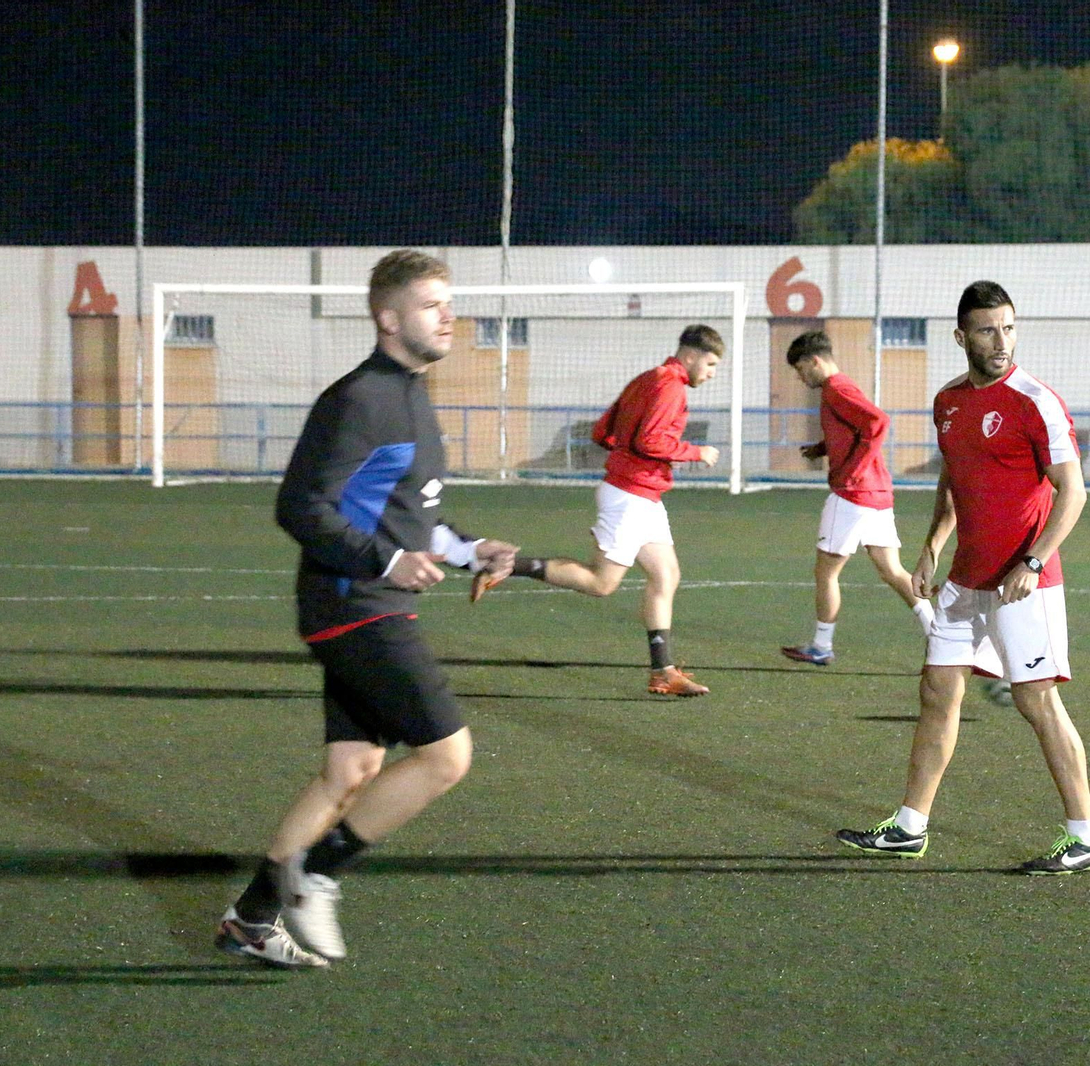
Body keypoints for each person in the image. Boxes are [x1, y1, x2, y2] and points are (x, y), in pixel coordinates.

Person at [215, 250, 518, 967]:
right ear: (388, 317)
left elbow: (413, 514)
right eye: (430, 304)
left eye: (450, 302)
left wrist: (473, 551)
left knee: (349, 772)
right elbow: (300, 505)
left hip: (369, 603)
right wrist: (384, 561)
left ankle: (252, 920)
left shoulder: (412, 393)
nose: (448, 315)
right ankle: (315, 875)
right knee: (447, 755)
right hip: (355, 606)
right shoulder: (360, 397)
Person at [836, 281, 1090, 875]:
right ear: (962, 337)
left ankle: (1085, 835)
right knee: (937, 692)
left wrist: (1033, 562)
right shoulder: (948, 402)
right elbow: (955, 481)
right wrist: (932, 545)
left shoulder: (1036, 400)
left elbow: (1073, 491)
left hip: (1023, 583)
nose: (1001, 340)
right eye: (988, 330)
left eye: (1009, 327)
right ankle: (910, 827)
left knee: (1037, 701)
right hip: (964, 581)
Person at [478, 326, 723, 697]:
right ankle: (509, 564)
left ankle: (663, 672)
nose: (711, 372)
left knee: (666, 574)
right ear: (689, 356)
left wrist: (625, 453)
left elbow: (602, 432)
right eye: (710, 363)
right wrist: (695, 452)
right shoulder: (671, 386)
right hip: (631, 496)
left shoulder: (645, 379)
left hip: (642, 495)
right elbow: (650, 440)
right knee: (601, 582)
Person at [777, 329, 934, 666]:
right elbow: (856, 428)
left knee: (826, 573)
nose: (801, 377)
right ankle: (938, 635)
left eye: (801, 369)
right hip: (877, 494)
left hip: (853, 494)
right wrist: (822, 448)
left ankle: (821, 645)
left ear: (815, 361)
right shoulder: (841, 388)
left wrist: (852, 471)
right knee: (892, 570)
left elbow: (877, 422)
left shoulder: (836, 388)